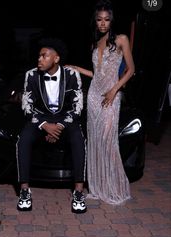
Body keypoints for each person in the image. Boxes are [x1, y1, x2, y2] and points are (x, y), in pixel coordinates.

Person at [67, 0, 135, 205]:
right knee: (96, 142)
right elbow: (97, 74)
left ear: (112, 20)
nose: (103, 23)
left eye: (107, 19)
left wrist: (114, 90)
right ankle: (99, 187)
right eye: (99, 20)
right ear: (95, 22)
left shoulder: (122, 39)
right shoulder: (95, 44)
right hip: (94, 97)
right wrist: (78, 69)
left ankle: (115, 188)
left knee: (108, 142)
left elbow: (131, 70)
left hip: (111, 97)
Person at [16, 38, 87, 213]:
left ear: (56, 59)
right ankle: (24, 190)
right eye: (39, 56)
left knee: (78, 139)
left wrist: (59, 126)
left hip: (65, 118)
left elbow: (77, 106)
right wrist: (45, 125)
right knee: (23, 140)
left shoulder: (71, 75)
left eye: (44, 56)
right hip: (40, 118)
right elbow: (27, 106)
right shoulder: (31, 75)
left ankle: (78, 192)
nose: (39, 59)